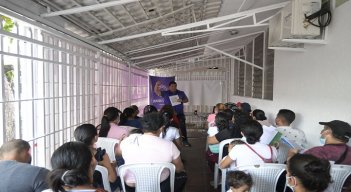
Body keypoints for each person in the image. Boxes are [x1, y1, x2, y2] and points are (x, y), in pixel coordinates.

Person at [116, 112, 187, 192]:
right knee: (182, 175)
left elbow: (118, 154)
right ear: (161, 128)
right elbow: (178, 169)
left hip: (132, 187)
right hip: (160, 187)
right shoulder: (169, 145)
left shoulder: (128, 141)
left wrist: (121, 143)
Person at [289, 120, 351, 191]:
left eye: (323, 129)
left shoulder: (316, 152)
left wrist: (291, 155)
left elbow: (295, 170)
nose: (321, 132)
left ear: (327, 132)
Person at [74, 124, 119, 191]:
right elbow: (112, 179)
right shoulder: (101, 155)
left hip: (78, 188)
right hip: (100, 188)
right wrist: (113, 166)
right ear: (95, 137)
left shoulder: (72, 155)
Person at [161, 81, 191, 147]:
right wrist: (157, 85)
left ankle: (184, 140)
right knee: (166, 126)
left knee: (182, 126)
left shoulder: (181, 92)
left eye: (175, 86)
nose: (174, 87)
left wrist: (182, 101)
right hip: (168, 114)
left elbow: (186, 100)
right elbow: (156, 92)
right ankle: (164, 140)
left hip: (179, 113)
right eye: (172, 86)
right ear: (169, 87)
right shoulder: (165, 93)